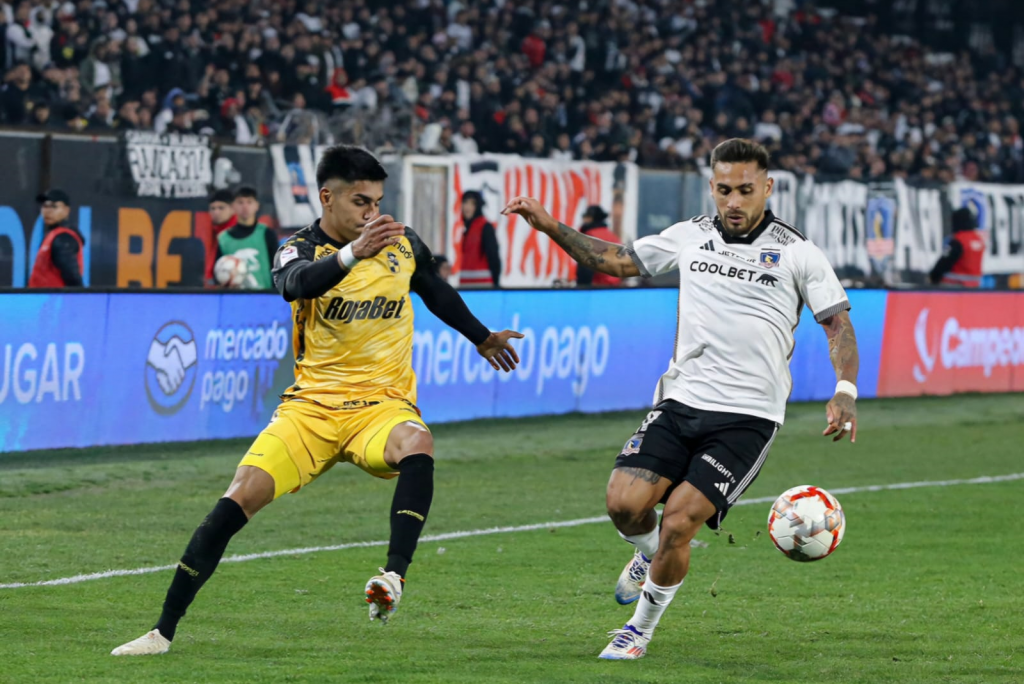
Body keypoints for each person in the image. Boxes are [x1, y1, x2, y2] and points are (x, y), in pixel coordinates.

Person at [111, 145, 524, 656]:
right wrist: (355, 253)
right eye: (360, 202)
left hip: (380, 405)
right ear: (327, 198)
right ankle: (161, 633)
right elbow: (294, 285)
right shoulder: (298, 248)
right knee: (235, 501)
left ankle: (393, 578)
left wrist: (481, 337)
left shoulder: (401, 244)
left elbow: (434, 289)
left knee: (418, 444)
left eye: (376, 202)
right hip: (310, 411)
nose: (372, 213)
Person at [503, 138, 860, 660]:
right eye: (723, 189)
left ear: (768, 187)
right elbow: (619, 260)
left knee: (679, 523)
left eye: (744, 190)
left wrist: (844, 391)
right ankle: (651, 555)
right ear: (711, 187)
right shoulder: (690, 236)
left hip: (747, 418)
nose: (733, 201)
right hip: (680, 401)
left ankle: (638, 629)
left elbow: (838, 326)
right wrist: (552, 226)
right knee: (624, 506)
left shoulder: (798, 251)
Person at [215, 186, 277, 289]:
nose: (245, 206)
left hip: (265, 297)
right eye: (240, 202)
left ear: (257, 206)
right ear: (233, 207)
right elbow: (218, 272)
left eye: (249, 202)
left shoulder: (267, 233)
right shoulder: (224, 239)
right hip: (235, 298)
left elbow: (278, 269)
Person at [29, 188, 84, 287]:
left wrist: (80, 299)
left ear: (67, 210)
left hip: (55, 300)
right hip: (45, 300)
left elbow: (72, 277)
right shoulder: (53, 235)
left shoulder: (63, 237)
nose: (47, 211)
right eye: (45, 206)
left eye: (54, 206)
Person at [929, 207, 985, 287]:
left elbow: (945, 261)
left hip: (956, 286)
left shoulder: (959, 240)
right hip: (974, 287)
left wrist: (933, 277)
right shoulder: (979, 239)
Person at [459, 190, 501, 287]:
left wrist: (496, 284)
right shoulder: (467, 230)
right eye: (465, 202)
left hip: (482, 286)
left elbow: (493, 256)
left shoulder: (485, 227)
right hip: (466, 285)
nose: (467, 207)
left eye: (472, 203)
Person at [575, 205, 622, 287]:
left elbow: (586, 267)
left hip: (597, 286)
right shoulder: (612, 237)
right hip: (615, 286)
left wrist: (582, 288)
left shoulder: (589, 236)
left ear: (590, 218)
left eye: (585, 216)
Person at [205, 189, 237, 285]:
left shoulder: (237, 233)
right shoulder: (213, 231)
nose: (216, 212)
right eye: (213, 208)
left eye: (221, 208)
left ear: (233, 209)